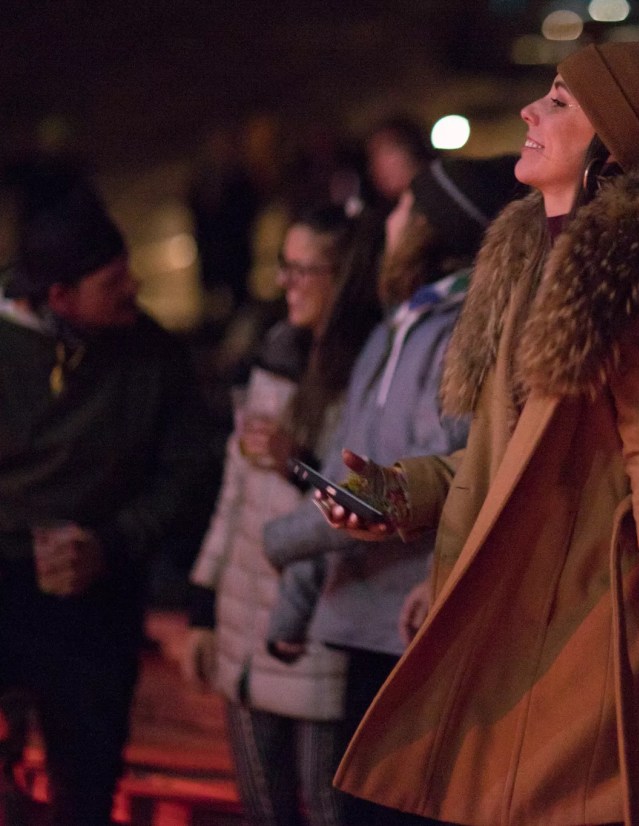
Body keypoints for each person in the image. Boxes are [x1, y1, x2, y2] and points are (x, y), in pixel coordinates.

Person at [319, 27, 639, 825]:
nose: (529, 109)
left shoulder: (634, 280)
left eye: (558, 101)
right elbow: (510, 458)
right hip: (523, 627)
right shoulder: (534, 262)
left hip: (581, 637)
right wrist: (397, 490)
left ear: (612, 148)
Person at [260, 155, 522, 826]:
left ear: (435, 227)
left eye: (407, 204)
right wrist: (294, 605)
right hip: (358, 615)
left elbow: (460, 471)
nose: (391, 218)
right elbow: (337, 465)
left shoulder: (465, 332)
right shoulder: (398, 323)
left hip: (412, 629)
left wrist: (277, 543)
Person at [0, 169, 214, 826]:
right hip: (3, 585)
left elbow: (187, 476)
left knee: (88, 782)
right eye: (113, 284)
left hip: (99, 599)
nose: (134, 289)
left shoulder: (152, 357)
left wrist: (113, 542)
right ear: (59, 297)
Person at [182, 204, 379, 826]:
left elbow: (364, 503)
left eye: (303, 271)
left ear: (342, 277)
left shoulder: (366, 373)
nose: (284, 285)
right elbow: (234, 491)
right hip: (243, 618)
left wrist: (297, 463)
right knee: (263, 809)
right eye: (282, 268)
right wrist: (202, 603)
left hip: (312, 628)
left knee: (327, 809)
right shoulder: (274, 352)